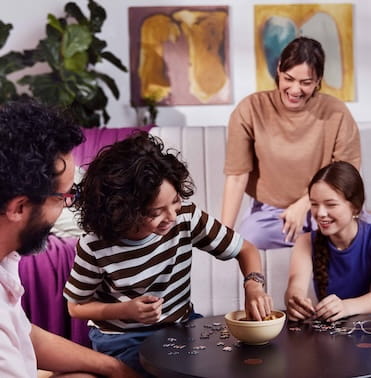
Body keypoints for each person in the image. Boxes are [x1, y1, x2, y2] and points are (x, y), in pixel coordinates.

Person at [63, 131, 273, 376]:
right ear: (122, 210)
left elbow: (245, 249)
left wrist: (254, 285)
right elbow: (76, 307)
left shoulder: (185, 216)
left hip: (181, 326)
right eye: (155, 212)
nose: (171, 216)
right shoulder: (95, 244)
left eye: (175, 201)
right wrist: (125, 310)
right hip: (122, 339)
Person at [0, 101, 139, 378]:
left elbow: (22, 332)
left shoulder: (6, 256)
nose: (67, 206)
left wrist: (113, 367)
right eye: (64, 197)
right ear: (19, 207)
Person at [222, 36, 360, 249]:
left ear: (318, 80)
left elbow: (346, 176)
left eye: (306, 82)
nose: (295, 90)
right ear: (278, 69)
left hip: (326, 207)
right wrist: (222, 237)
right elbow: (237, 176)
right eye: (289, 78)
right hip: (270, 215)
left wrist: (305, 204)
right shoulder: (251, 109)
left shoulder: (336, 112)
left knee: (362, 235)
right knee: (249, 238)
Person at [285, 161, 371, 322]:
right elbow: (295, 286)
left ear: (355, 206)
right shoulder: (306, 242)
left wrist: (346, 306)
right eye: (314, 204)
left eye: (331, 204)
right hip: (331, 338)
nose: (320, 213)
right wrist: (295, 301)